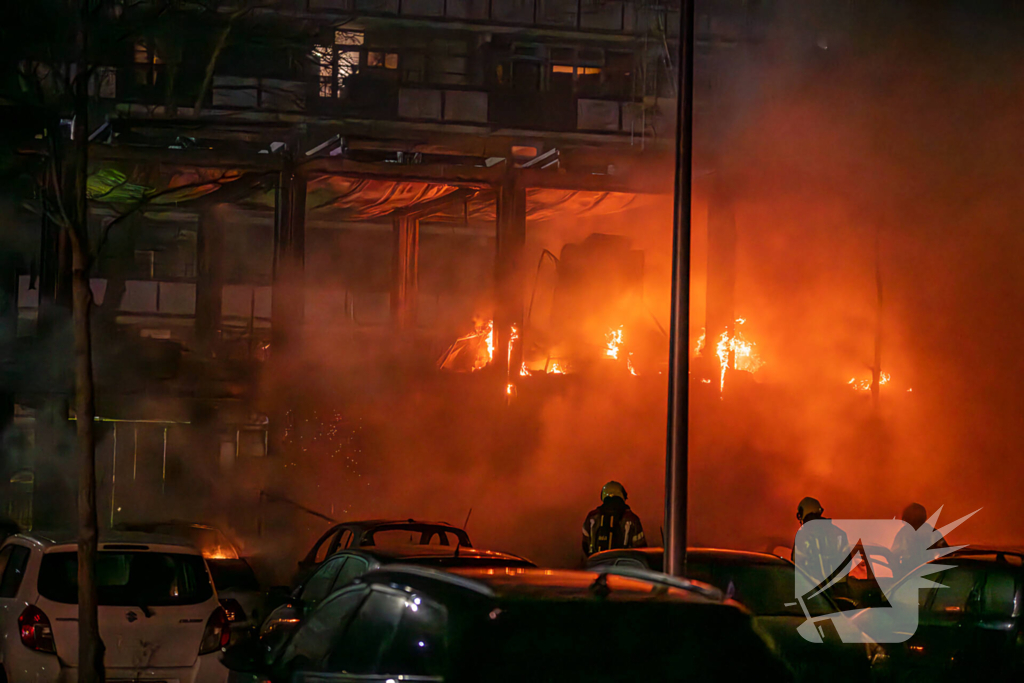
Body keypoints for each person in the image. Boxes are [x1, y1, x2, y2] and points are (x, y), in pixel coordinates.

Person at [792, 496, 851, 589]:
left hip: (814, 592)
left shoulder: (803, 536)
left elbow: (797, 566)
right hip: (839, 590)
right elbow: (846, 563)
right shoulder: (839, 533)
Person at [582, 481, 646, 556]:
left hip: (596, 563)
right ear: (622, 495)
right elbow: (641, 548)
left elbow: (585, 544)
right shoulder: (631, 518)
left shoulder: (592, 517)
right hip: (624, 564)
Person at [891, 502, 947, 578]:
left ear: (906, 517)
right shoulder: (932, 532)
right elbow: (946, 552)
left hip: (908, 575)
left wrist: (897, 574)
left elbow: (894, 556)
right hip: (929, 573)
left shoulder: (904, 533)